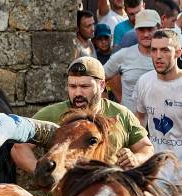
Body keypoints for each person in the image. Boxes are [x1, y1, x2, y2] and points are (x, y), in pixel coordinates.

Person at [11, 57, 153, 172]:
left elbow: (146, 148)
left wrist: (135, 158)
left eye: (85, 86)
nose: (77, 93)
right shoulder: (51, 114)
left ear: (102, 86)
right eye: (72, 86)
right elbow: (20, 147)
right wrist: (42, 171)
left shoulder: (121, 114)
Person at [134, 29, 182, 183]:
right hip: (155, 174)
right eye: (154, 50)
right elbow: (139, 120)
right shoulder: (144, 81)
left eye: (165, 50)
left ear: (178, 52)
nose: (158, 56)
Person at [104, 9, 160, 110]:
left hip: (159, 122)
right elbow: (98, 77)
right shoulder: (123, 55)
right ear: (136, 30)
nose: (146, 34)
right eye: (141, 29)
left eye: (150, 29)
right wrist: (104, 107)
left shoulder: (169, 56)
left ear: (159, 28)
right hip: (129, 122)